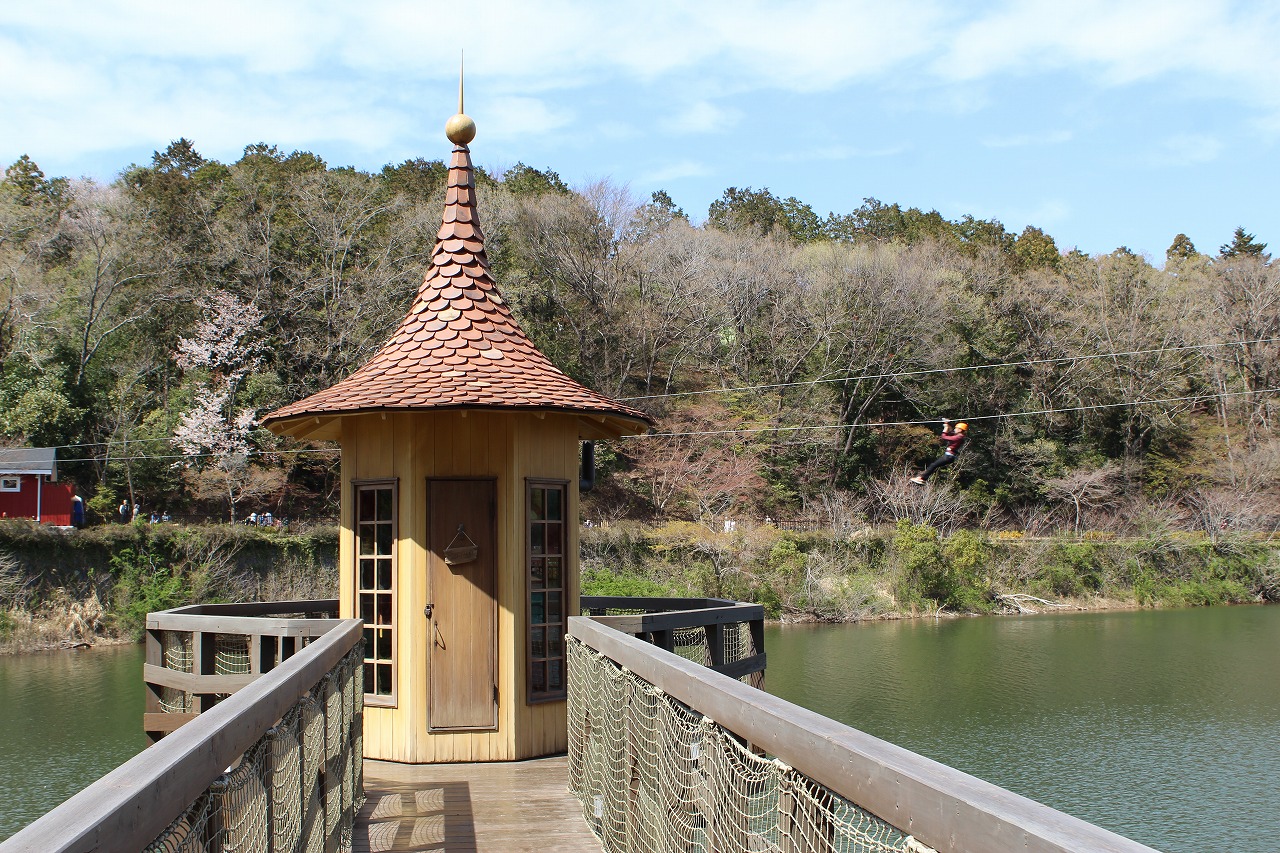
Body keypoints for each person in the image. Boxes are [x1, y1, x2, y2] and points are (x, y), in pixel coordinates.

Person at [911, 419, 968, 484]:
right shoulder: (959, 436)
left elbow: (944, 437)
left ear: (960, 430)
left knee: (933, 465)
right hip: (950, 457)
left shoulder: (958, 437)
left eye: (956, 428)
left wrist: (946, 427)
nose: (955, 429)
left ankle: (922, 478)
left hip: (949, 456)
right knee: (934, 465)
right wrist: (947, 424)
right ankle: (923, 478)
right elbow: (950, 431)